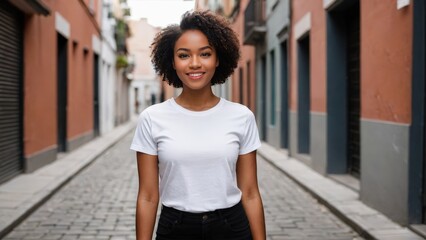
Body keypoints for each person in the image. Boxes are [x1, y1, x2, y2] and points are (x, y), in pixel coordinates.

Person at [130, 10, 266, 240]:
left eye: (205, 54)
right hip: (175, 228)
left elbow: (251, 193)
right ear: (172, 62)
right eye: (184, 55)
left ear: (218, 58)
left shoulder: (241, 116)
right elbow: (148, 196)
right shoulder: (152, 118)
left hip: (231, 227)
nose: (195, 64)